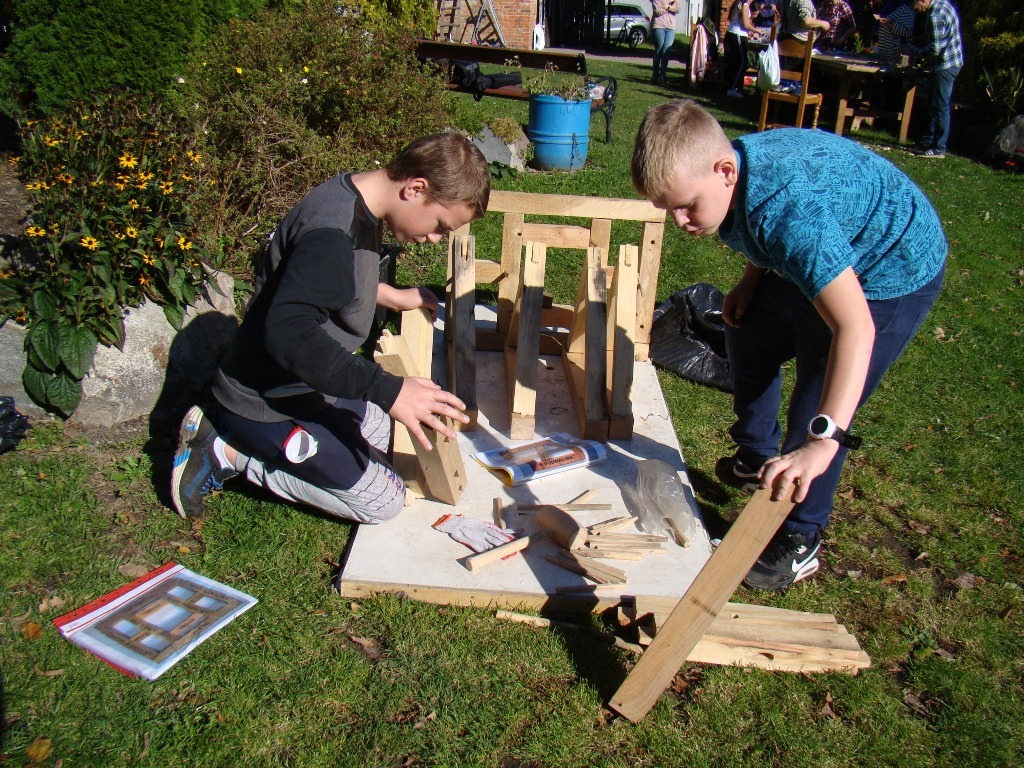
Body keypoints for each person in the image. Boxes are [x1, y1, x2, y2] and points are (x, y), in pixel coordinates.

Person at [631, 100, 946, 590]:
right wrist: (751, 280)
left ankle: (801, 537)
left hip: (890, 268)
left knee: (819, 400)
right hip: (830, 243)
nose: (679, 221)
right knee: (747, 329)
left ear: (725, 171)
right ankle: (757, 458)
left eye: (687, 205)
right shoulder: (732, 179)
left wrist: (822, 442)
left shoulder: (788, 214)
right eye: (668, 208)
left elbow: (856, 328)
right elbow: (763, 228)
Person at [171, 133, 490, 522]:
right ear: (416, 188)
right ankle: (225, 449)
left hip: (312, 381)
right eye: (440, 225)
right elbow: (289, 334)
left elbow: (323, 279)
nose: (436, 239)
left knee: (394, 435)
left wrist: (386, 294)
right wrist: (387, 389)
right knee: (384, 500)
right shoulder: (332, 233)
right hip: (265, 400)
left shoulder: (359, 199)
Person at [908, 0, 963, 159]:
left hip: (946, 64)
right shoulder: (942, 4)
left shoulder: (935, 15)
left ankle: (939, 148)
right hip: (952, 60)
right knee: (934, 103)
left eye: (915, 7)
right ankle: (928, 142)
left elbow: (935, 50)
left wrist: (914, 49)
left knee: (940, 105)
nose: (916, 10)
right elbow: (935, 37)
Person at [725, 0, 761, 98]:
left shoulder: (737, 4)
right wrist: (757, 30)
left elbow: (740, 22)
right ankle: (733, 88)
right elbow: (745, 23)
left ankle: (734, 87)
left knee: (734, 63)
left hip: (731, 33)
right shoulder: (744, 5)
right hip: (737, 35)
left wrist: (749, 32)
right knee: (742, 63)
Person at [651, 0, 680, 86]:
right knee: (659, 50)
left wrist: (667, 7)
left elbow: (678, 9)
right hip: (658, 26)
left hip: (671, 27)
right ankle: (655, 75)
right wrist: (670, 8)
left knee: (666, 50)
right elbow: (657, 11)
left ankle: (662, 76)